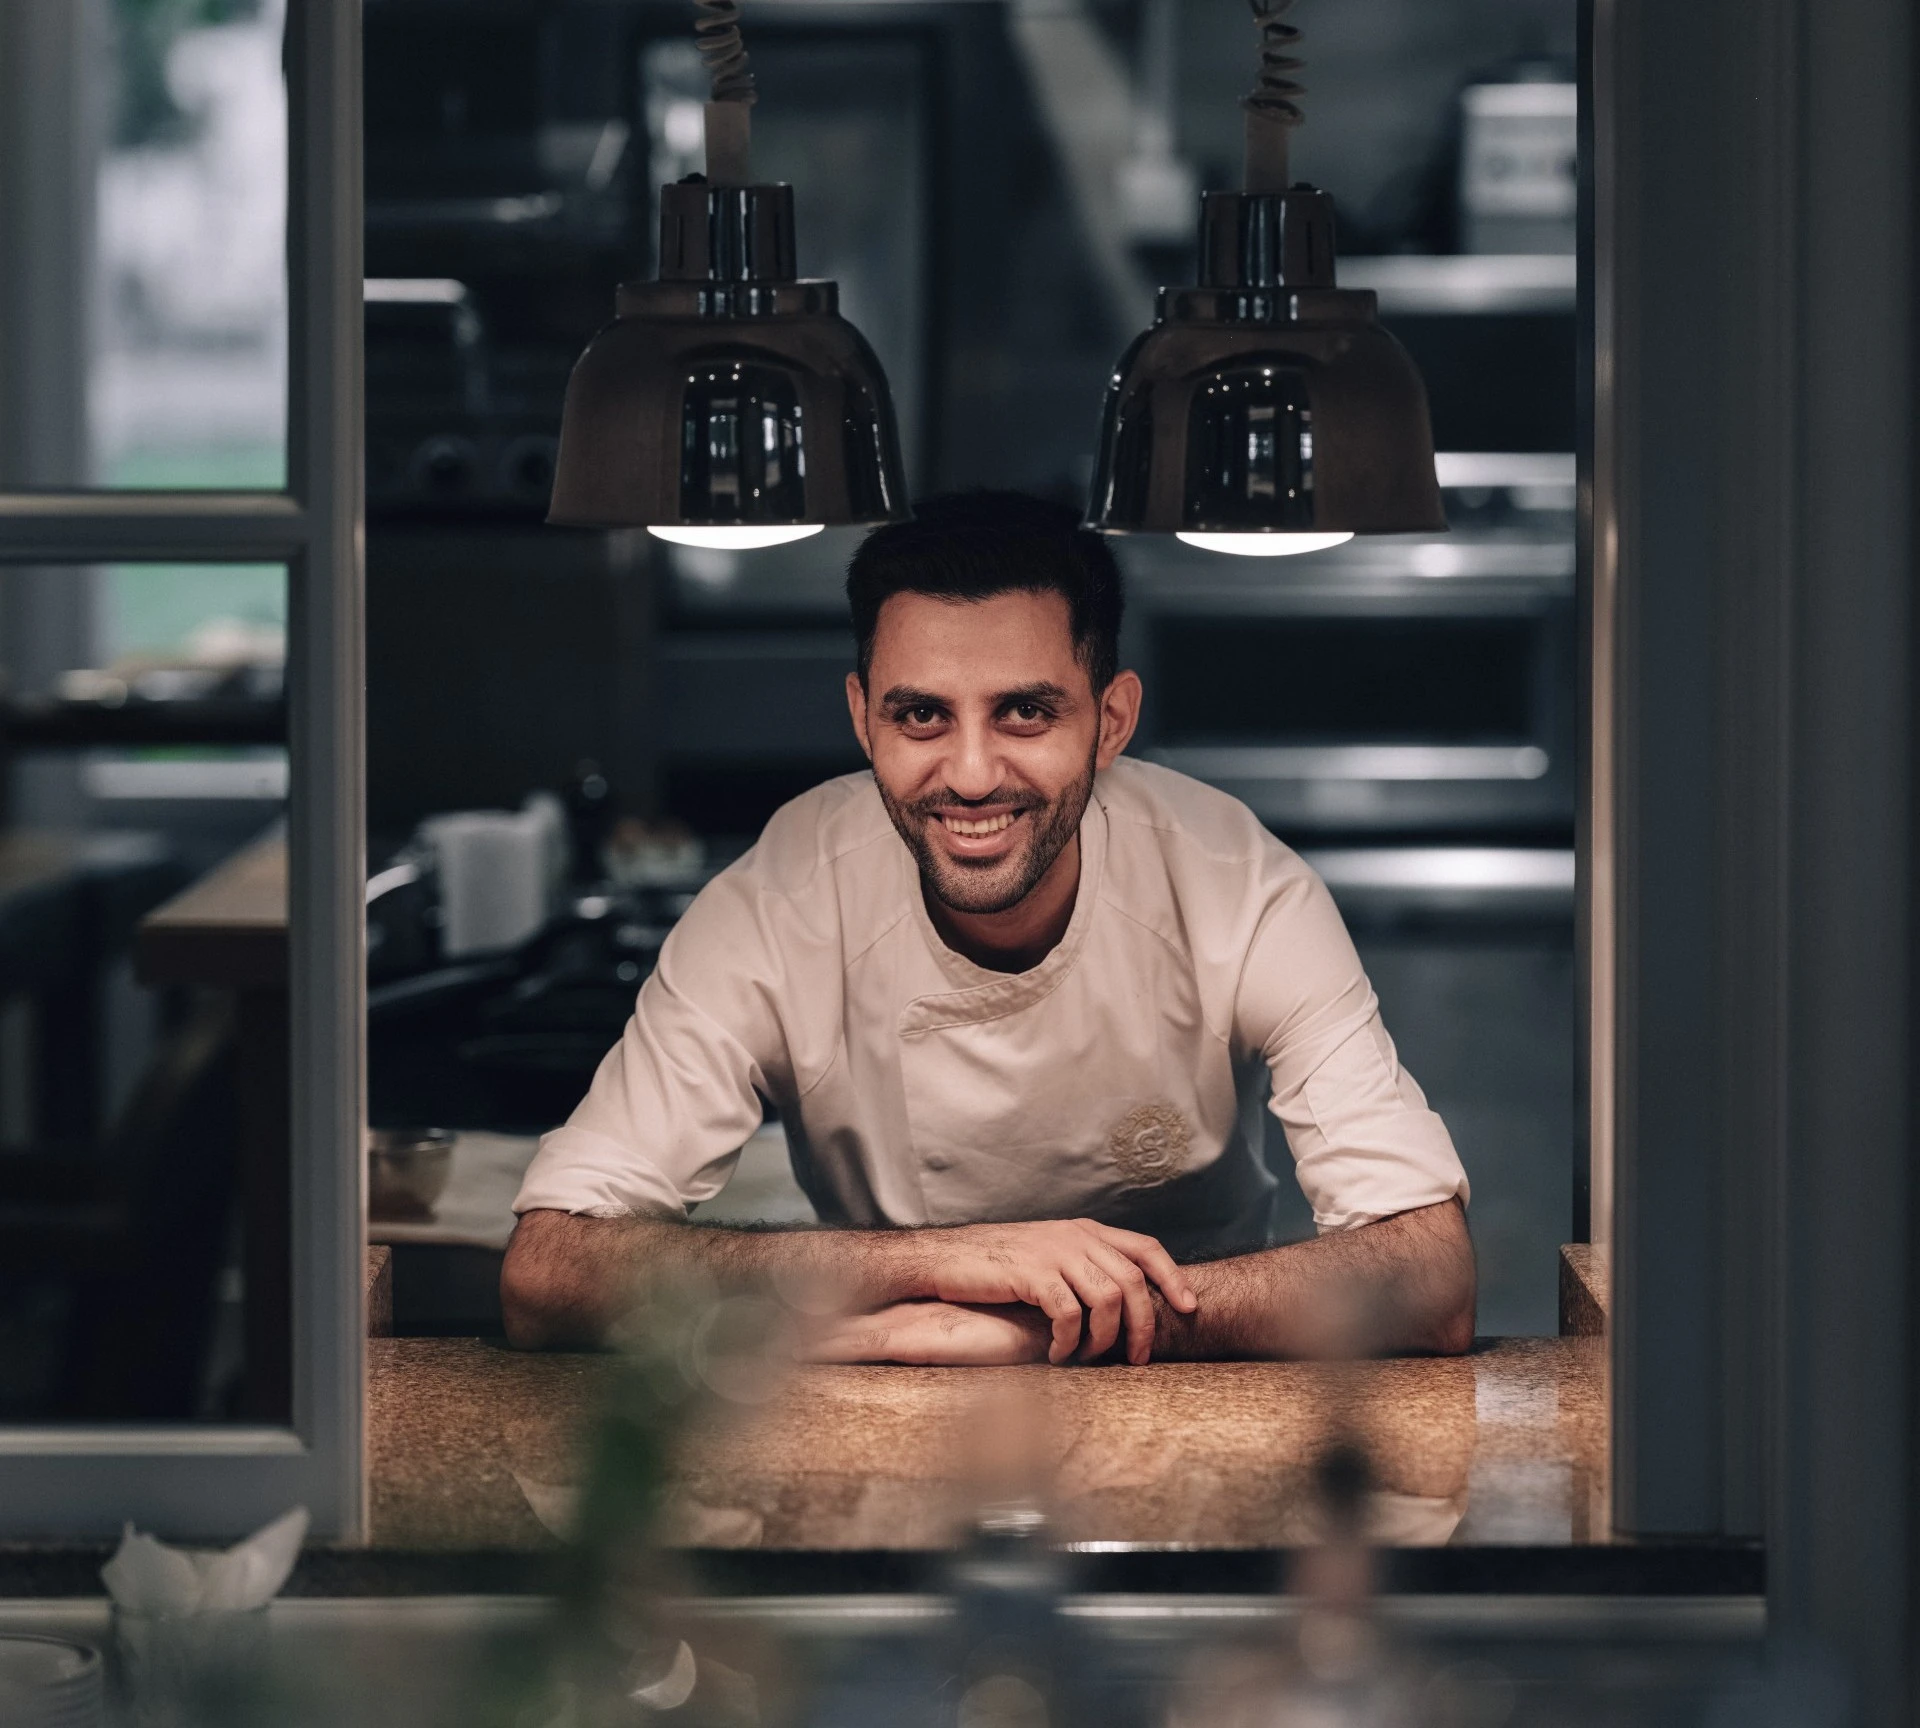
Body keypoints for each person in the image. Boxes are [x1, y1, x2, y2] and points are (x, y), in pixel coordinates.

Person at [502, 493, 1474, 1365]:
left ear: (1111, 720)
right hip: (894, 1393)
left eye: (1024, 713)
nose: (970, 774)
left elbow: (1428, 1278)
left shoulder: (1237, 887)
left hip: (1199, 1381)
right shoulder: (780, 901)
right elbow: (550, 1272)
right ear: (861, 720)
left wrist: (1049, 1326)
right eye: (921, 715)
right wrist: (954, 1261)